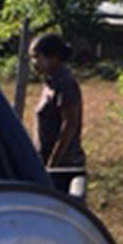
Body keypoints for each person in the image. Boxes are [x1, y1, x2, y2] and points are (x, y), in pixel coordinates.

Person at [29, 34, 86, 195]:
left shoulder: (65, 84)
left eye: (36, 57)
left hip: (63, 165)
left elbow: (70, 124)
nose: (34, 62)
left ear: (53, 57)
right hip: (46, 160)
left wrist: (53, 164)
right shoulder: (50, 83)